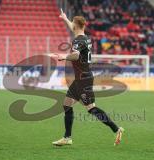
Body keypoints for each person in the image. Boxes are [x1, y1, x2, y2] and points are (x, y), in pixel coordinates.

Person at [52, 9, 124, 146]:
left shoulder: (78, 40)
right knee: (67, 104)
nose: (71, 26)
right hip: (80, 79)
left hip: (83, 80)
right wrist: (65, 18)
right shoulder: (85, 38)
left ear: (76, 26)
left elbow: (76, 55)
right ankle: (67, 138)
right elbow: (74, 31)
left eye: (72, 24)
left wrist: (64, 56)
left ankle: (117, 129)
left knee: (91, 108)